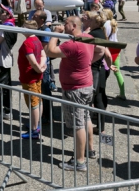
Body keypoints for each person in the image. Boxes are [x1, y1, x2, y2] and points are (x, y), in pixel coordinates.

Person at [46, 16, 110, 172]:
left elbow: (50, 51)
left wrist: (55, 33)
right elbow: (101, 50)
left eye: (66, 23)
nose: (63, 25)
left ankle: (80, 161)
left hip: (75, 89)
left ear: (73, 26)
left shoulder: (72, 44)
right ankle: (89, 149)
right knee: (85, 117)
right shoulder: (88, 38)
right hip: (86, 85)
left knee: (77, 124)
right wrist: (87, 62)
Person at [18, 20, 47, 139]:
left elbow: (33, 61)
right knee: (38, 100)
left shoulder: (27, 43)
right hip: (36, 76)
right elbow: (44, 55)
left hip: (29, 77)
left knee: (33, 103)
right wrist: (42, 66)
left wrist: (39, 68)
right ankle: (36, 124)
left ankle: (34, 130)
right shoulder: (37, 40)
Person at [0, 6, 17, 123]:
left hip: (2, 60)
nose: (0, 14)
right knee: (6, 88)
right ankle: (7, 111)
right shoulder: (10, 26)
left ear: (9, 15)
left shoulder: (6, 27)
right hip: (5, 59)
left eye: (3, 12)